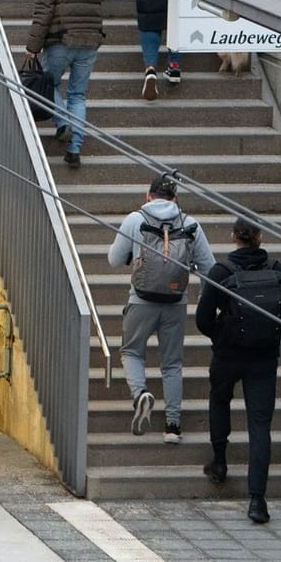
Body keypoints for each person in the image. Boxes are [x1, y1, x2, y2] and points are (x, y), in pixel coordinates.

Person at [195, 218, 281, 524]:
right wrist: (273, 323)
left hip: (227, 355)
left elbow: (203, 320)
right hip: (264, 357)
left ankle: (220, 461)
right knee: (260, 425)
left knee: (219, 400)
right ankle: (257, 500)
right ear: (260, 236)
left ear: (233, 236)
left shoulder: (220, 272)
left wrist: (223, 333)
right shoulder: (278, 271)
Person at [109, 174, 215, 442]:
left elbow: (114, 260)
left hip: (140, 300)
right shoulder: (190, 224)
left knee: (131, 352)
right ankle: (173, 426)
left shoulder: (135, 219)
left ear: (148, 196)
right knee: (172, 364)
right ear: (175, 199)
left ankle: (140, 394)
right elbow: (209, 268)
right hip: (175, 302)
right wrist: (205, 300)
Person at [24, 0, 112, 165]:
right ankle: (74, 150)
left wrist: (33, 45)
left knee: (48, 83)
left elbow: (44, 9)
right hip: (90, 38)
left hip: (60, 39)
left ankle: (63, 122)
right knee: (78, 94)